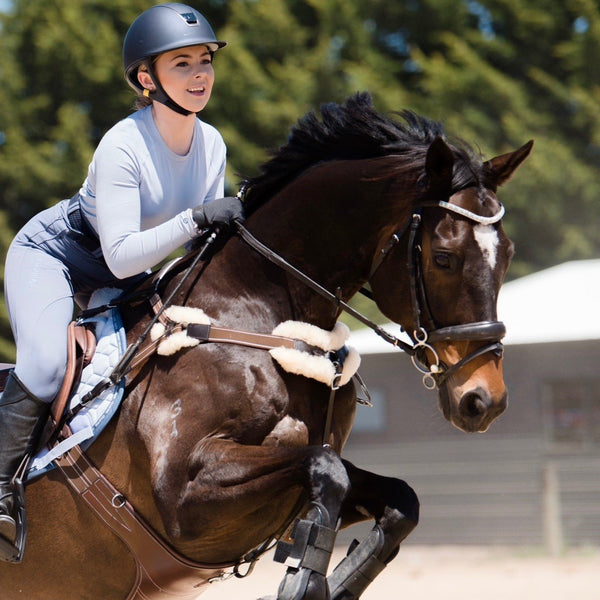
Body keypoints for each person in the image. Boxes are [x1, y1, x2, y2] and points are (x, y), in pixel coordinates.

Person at [0, 2, 243, 554]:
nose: (200, 73)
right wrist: (197, 217)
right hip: (57, 257)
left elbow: (200, 248)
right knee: (45, 365)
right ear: (145, 77)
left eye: (205, 60)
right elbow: (123, 255)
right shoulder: (123, 144)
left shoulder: (213, 144)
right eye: (181, 63)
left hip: (129, 276)